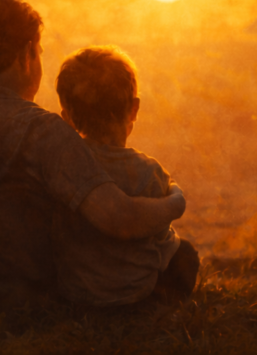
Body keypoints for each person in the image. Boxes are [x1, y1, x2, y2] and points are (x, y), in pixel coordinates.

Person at [0, 0, 187, 316]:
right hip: (8, 315)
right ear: (27, 54)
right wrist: (175, 203)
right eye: (39, 52)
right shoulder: (41, 132)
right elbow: (118, 218)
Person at [52, 45, 200, 307]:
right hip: (139, 295)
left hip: (77, 294)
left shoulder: (64, 166)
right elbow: (163, 242)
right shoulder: (150, 172)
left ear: (68, 118)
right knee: (184, 252)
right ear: (134, 109)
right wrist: (176, 194)